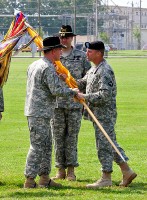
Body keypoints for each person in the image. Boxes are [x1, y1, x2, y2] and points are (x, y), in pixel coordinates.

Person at [76, 41, 137, 188]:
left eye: (90, 51)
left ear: (99, 53)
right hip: (97, 114)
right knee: (109, 143)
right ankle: (126, 171)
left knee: (105, 144)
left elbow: (105, 95)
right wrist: (65, 78)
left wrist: (85, 97)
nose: (87, 53)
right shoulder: (93, 69)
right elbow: (82, 83)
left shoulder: (105, 70)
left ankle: (106, 177)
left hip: (104, 114)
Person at [24, 36, 79, 188]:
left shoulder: (35, 64)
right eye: (59, 49)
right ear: (53, 51)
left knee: (47, 145)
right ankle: (29, 180)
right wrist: (73, 91)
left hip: (38, 111)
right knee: (37, 146)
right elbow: (56, 90)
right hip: (39, 112)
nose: (61, 52)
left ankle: (44, 178)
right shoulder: (47, 67)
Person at [52, 25, 91, 181]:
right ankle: (60, 170)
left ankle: (71, 171)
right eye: (62, 37)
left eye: (67, 36)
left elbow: (89, 78)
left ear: (72, 38)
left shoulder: (81, 56)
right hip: (57, 104)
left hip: (75, 104)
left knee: (72, 137)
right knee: (58, 137)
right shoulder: (54, 56)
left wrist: (78, 87)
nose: (64, 39)